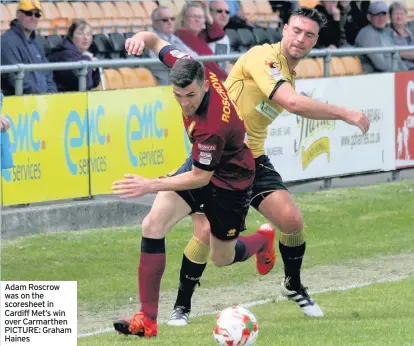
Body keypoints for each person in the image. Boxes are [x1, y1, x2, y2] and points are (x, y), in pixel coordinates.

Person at [167, 6, 371, 326]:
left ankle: (293, 285)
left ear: (315, 41)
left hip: (253, 159)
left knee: (291, 221)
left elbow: (294, 103)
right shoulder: (264, 57)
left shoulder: (289, 72)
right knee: (205, 232)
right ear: (284, 29)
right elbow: (292, 102)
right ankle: (181, 306)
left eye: (309, 35)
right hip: (216, 159)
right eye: (296, 31)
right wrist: (345, 113)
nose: (300, 39)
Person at [111, 30, 276, 338]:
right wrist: (140, 38)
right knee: (152, 225)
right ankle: (147, 320)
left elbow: (202, 178)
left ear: (204, 85)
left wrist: (149, 185)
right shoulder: (189, 66)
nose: (184, 103)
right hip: (202, 166)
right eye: (178, 96)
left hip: (230, 184)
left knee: (221, 258)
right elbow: (156, 41)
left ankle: (263, 240)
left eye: (190, 96)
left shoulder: (212, 123)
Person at [1, 0, 57, 95]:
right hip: (19, 104)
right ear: (18, 14)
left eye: (37, 14)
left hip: (41, 102)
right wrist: (39, 97)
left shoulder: (38, 41)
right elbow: (16, 79)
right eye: (28, 13)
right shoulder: (6, 41)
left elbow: (48, 74)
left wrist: (51, 94)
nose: (33, 17)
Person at [48, 20, 100, 92]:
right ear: (71, 36)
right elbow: (84, 84)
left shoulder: (82, 54)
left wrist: (93, 67)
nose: (85, 37)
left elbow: (94, 83)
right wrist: (87, 60)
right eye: (80, 33)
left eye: (88, 34)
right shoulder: (64, 55)